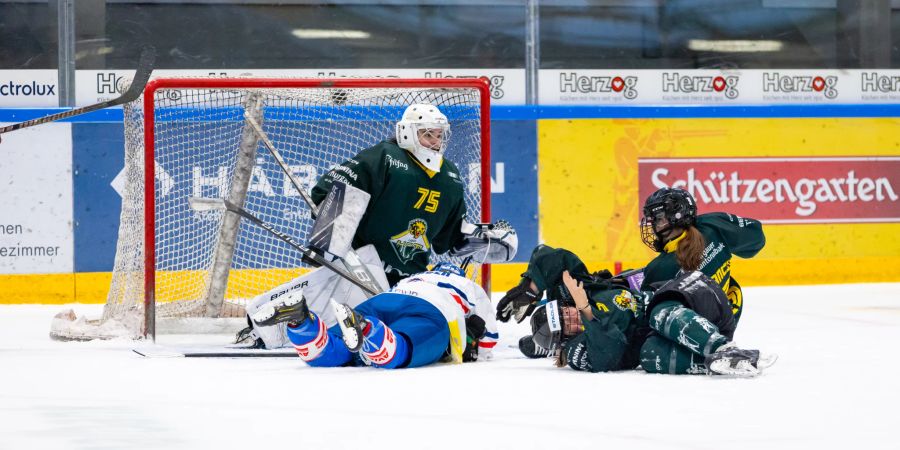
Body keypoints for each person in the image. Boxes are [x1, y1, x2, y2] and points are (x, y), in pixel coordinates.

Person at [310, 103, 517, 287]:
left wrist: (482, 239)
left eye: (439, 135)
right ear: (407, 132)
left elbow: (449, 238)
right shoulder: (385, 157)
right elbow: (328, 191)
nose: (436, 142)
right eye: (428, 134)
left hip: (411, 280)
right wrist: (329, 238)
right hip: (360, 271)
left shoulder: (449, 176)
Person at [502, 245, 775, 377]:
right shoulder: (576, 350)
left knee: (658, 310)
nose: (572, 317)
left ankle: (722, 348)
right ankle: (717, 364)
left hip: (688, 296)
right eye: (566, 325)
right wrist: (585, 308)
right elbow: (607, 356)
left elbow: (550, 256)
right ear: (563, 340)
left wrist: (531, 287)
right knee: (650, 354)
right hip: (672, 338)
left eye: (565, 312)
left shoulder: (576, 289)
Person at [251, 262, 498, 368]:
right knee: (398, 351)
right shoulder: (468, 286)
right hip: (429, 310)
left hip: (382, 300)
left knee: (332, 350)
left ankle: (301, 321)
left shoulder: (414, 276)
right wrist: (478, 350)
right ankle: (367, 328)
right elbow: (489, 336)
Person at [639, 187, 765, 323]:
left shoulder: (659, 267)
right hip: (728, 314)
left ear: (677, 216)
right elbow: (756, 239)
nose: (654, 226)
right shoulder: (712, 224)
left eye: (658, 218)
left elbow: (647, 318)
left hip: (697, 334)